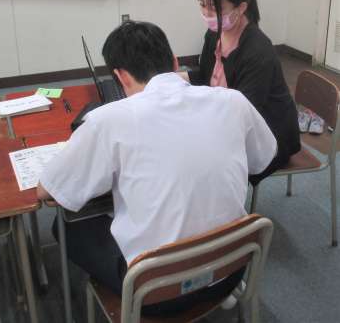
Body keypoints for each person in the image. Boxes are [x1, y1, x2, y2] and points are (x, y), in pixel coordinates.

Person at [37, 20, 277, 315]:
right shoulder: (234, 101)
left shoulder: (107, 121)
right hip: (231, 271)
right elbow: (263, 158)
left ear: (120, 77)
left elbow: (48, 190)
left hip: (157, 293)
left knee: (66, 224)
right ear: (175, 63)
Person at [184, 0, 300, 185]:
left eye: (215, 7)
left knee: (203, 161)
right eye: (202, 4)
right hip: (228, 118)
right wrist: (177, 78)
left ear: (241, 8)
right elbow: (206, 76)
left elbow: (245, 113)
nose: (206, 13)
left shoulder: (258, 51)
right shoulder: (214, 34)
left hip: (270, 133)